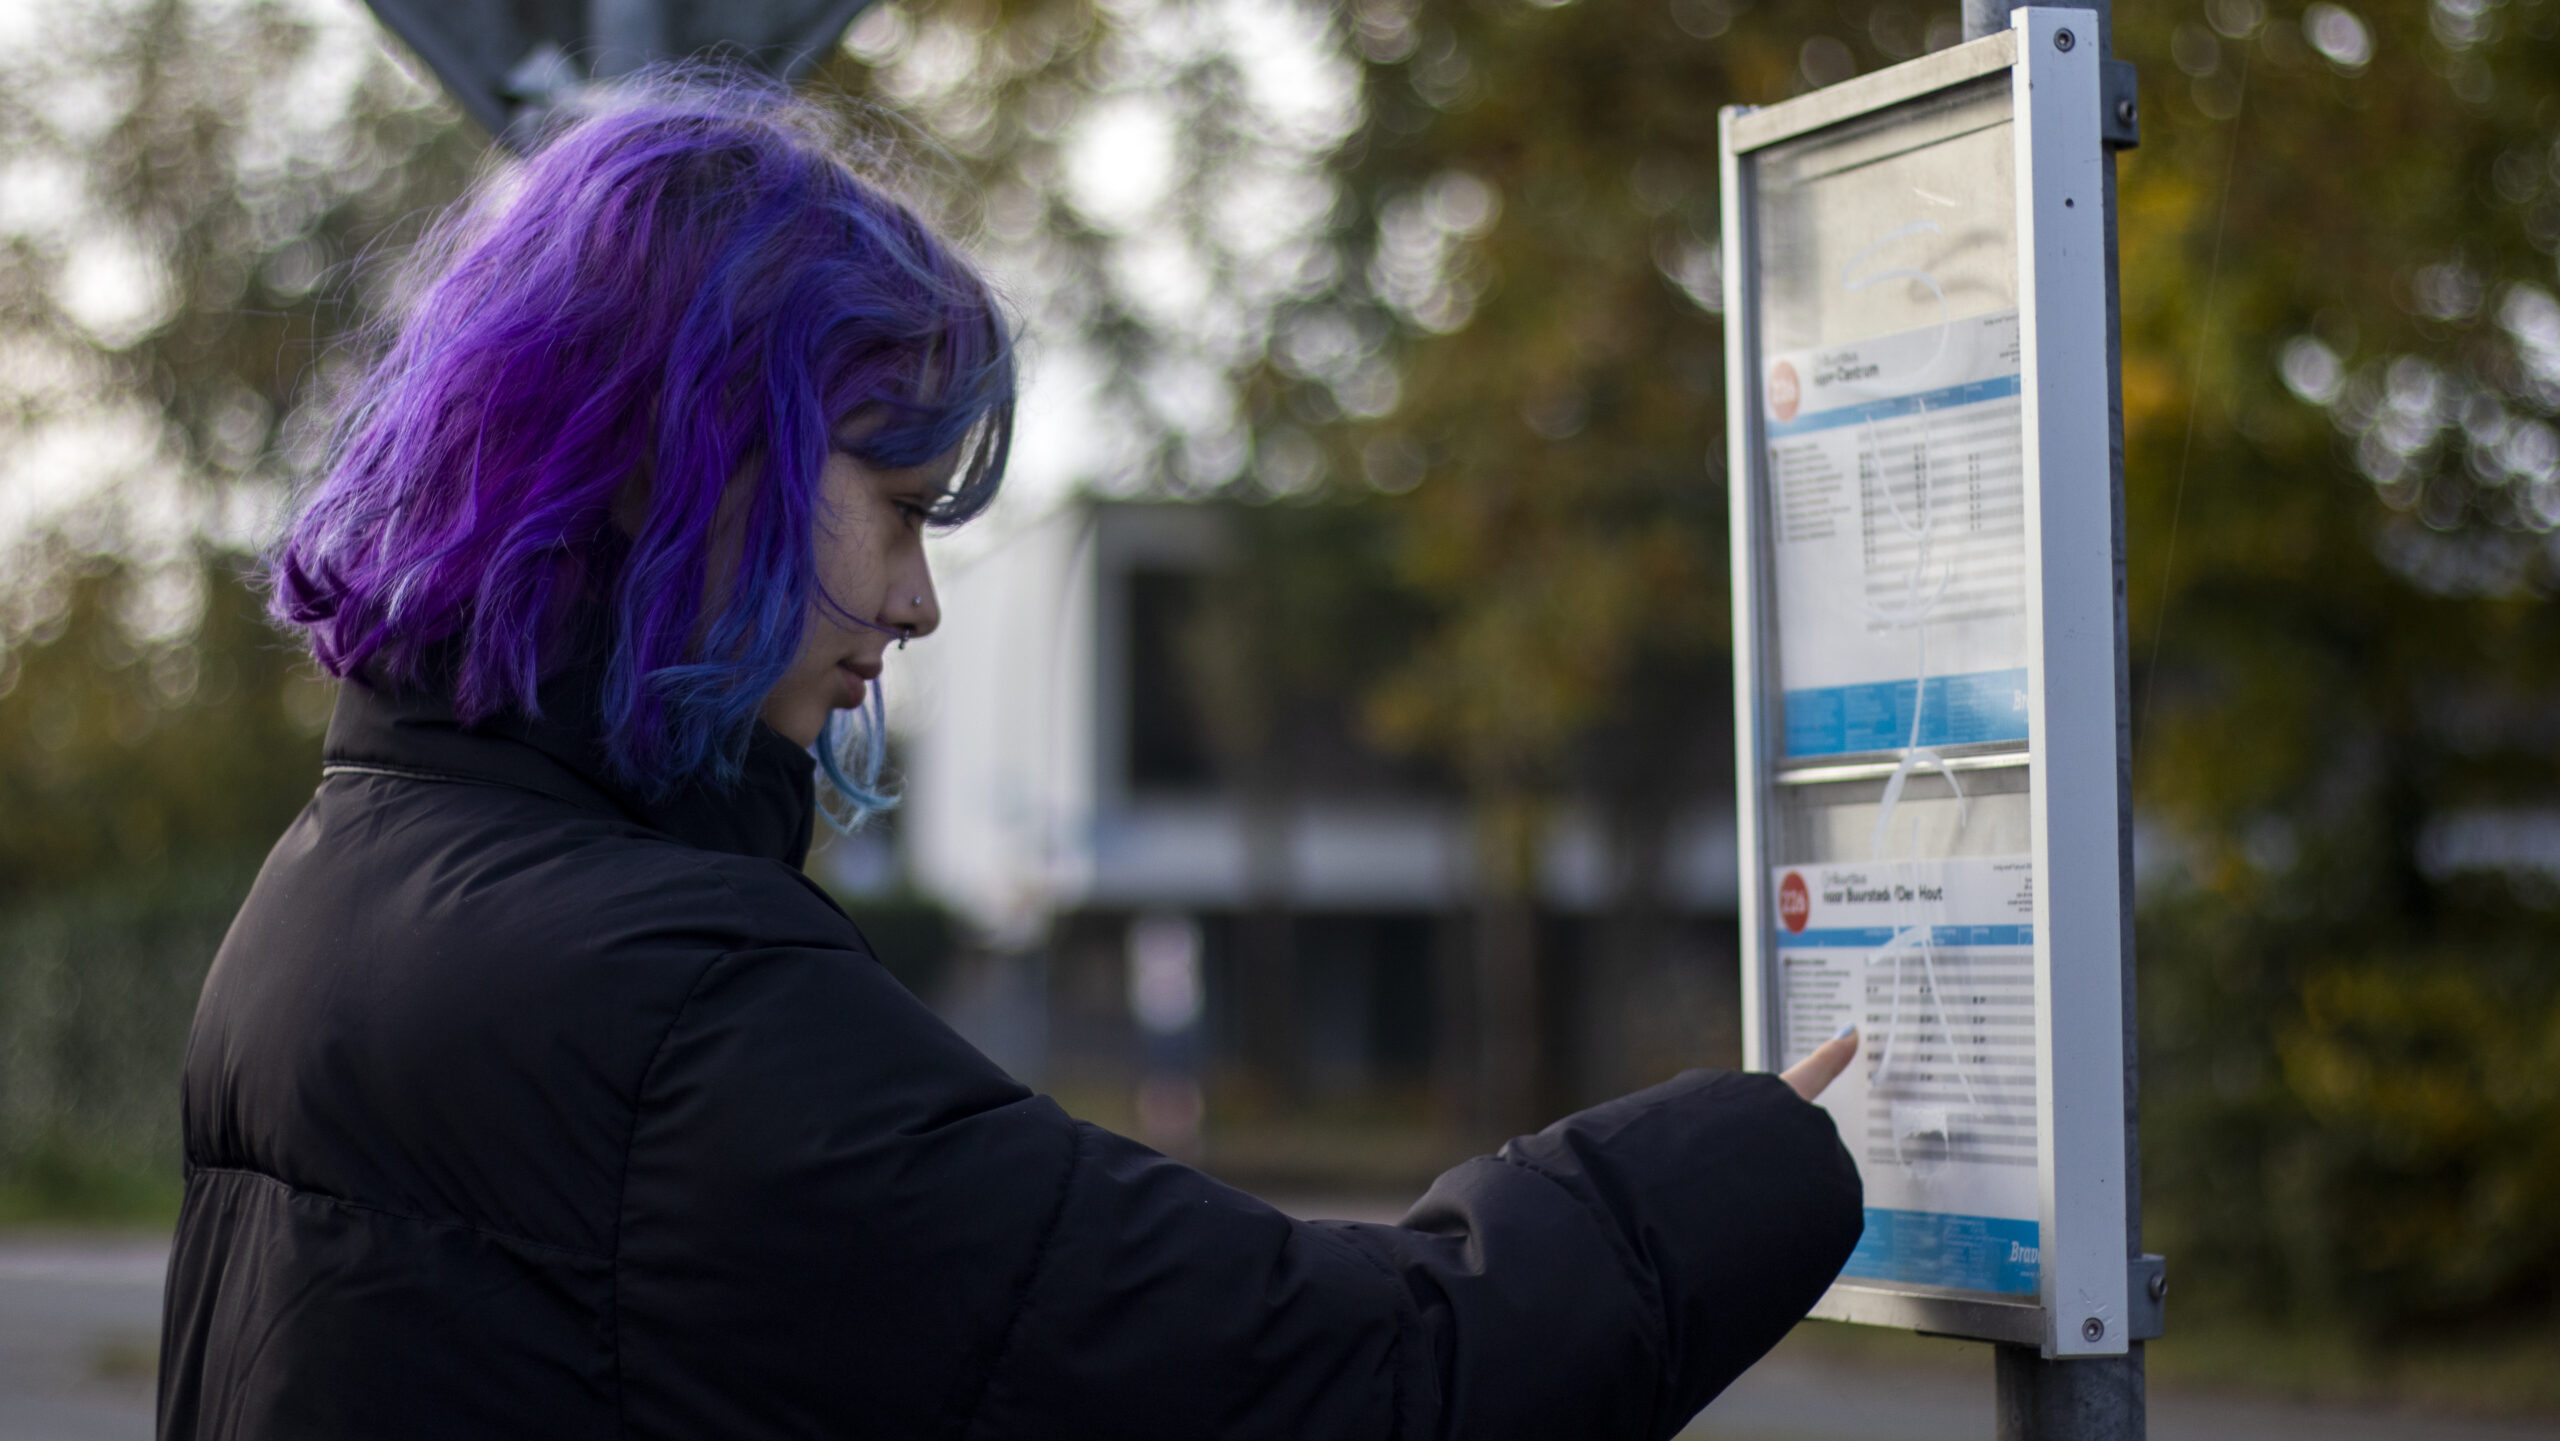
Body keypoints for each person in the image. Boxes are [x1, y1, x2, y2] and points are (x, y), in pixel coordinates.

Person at [158, 77, 1864, 1441]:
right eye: (896, 507)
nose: (916, 603)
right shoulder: (669, 1014)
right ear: (686, 469)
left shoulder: (335, 884)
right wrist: (1736, 1162)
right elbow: (1345, 1385)